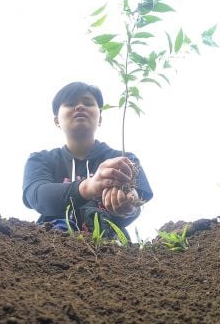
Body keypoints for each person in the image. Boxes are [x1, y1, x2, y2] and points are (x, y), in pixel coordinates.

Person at [22, 81, 153, 236]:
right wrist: (87, 187)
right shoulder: (40, 160)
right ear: (57, 120)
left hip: (110, 247)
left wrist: (129, 204)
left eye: (88, 103)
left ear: (100, 118)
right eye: (70, 104)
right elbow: (37, 196)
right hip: (51, 243)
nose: (80, 107)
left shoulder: (124, 159)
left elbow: (137, 198)